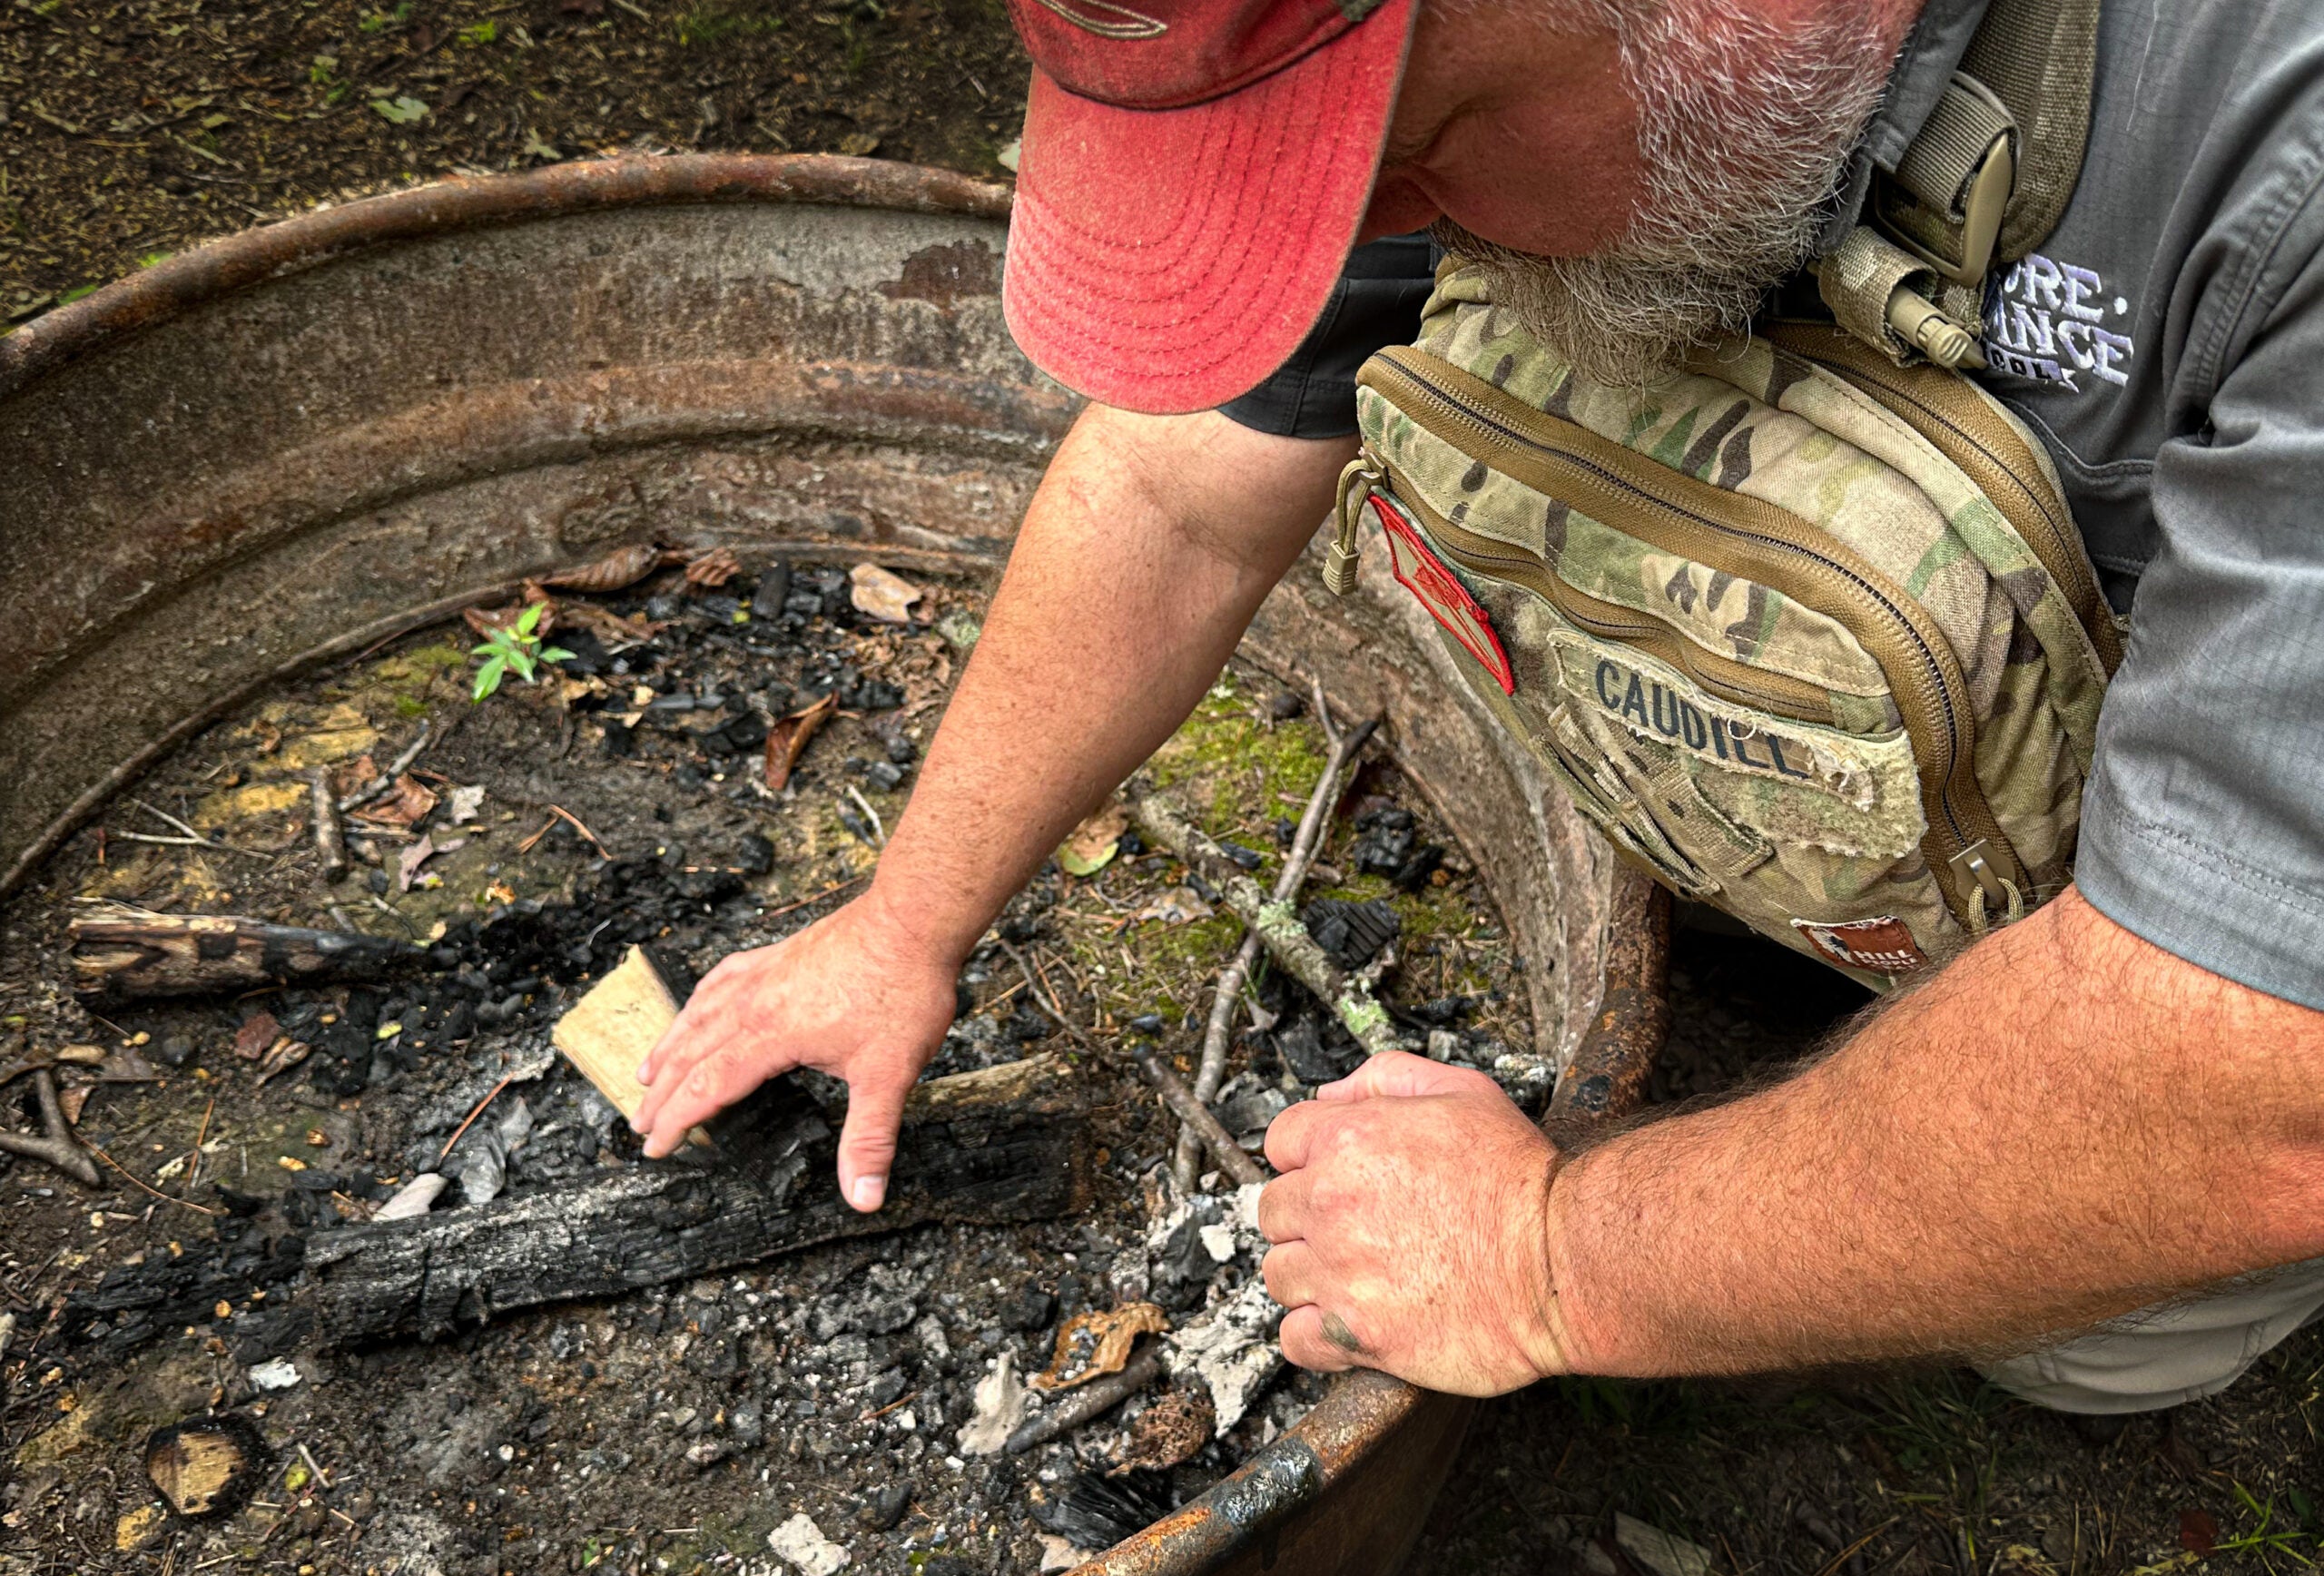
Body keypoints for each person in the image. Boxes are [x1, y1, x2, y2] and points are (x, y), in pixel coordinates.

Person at [632, 0, 2324, 1416]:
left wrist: (1550, 1262)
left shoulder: (2275, 132)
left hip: (2194, 996)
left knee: (2095, 1343)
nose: (1382, 229)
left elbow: (2263, 1087)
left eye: (1410, 154)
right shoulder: (1511, 62)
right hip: (1902, 795)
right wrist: (904, 920)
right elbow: (1174, 490)